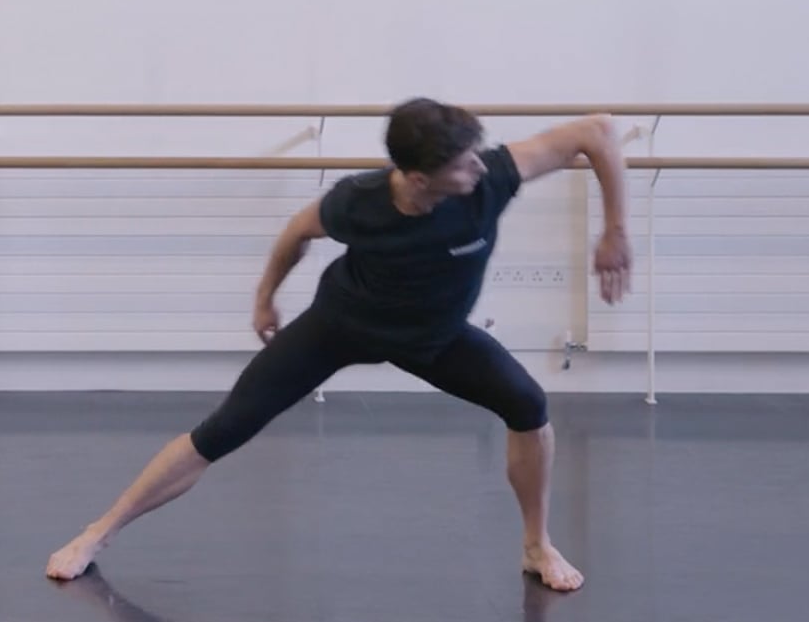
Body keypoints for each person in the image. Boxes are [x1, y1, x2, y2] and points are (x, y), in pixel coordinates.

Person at [44, 98, 633, 591]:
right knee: (223, 429)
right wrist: (265, 297)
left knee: (528, 407)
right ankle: (98, 531)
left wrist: (613, 232)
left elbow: (597, 130)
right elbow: (297, 232)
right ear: (420, 178)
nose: (478, 169)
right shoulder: (359, 202)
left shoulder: (494, 177)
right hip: (342, 323)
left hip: (437, 337)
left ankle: (537, 545)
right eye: (463, 165)